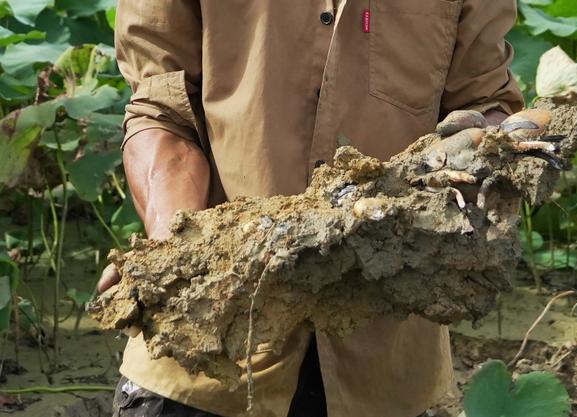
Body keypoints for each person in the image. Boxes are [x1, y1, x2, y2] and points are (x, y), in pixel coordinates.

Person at [98, 1, 524, 416]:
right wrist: (174, 250)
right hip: (211, 342)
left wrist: (492, 143)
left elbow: (484, 102)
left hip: (383, 354)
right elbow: (161, 110)